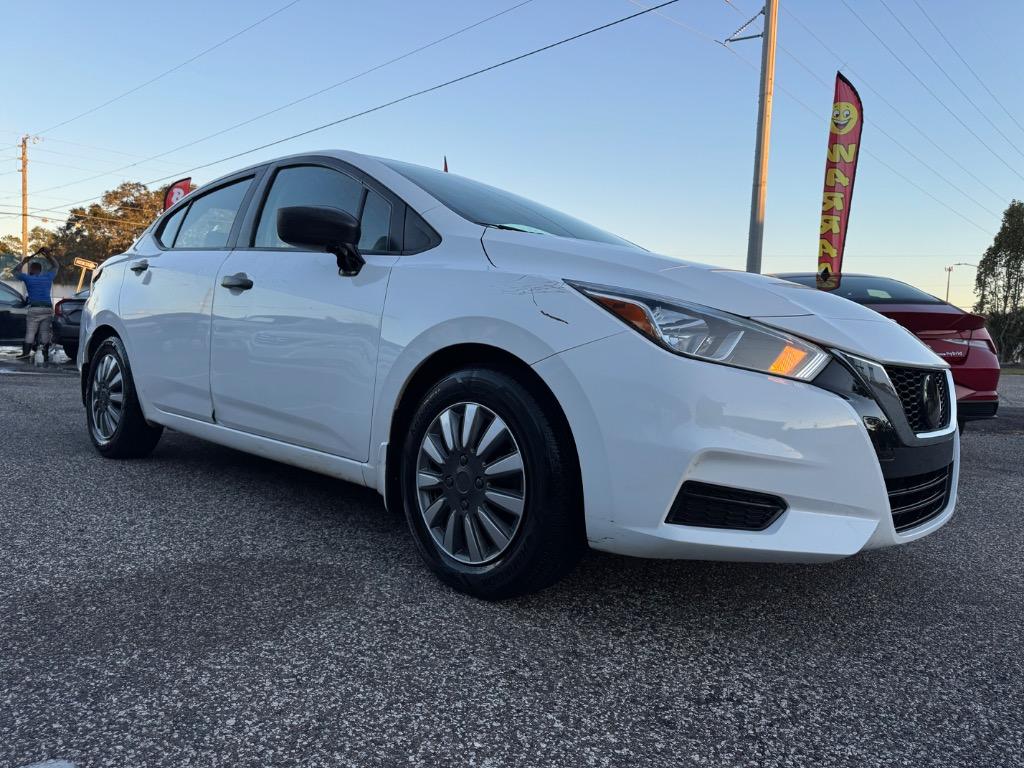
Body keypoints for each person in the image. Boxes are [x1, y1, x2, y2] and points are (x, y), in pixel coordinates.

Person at [13, 249, 59, 361]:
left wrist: (23, 262)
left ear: (32, 270)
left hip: (35, 309)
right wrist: (49, 255)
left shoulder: (27, 278)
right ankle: (45, 354)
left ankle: (25, 354)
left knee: (31, 332)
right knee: (45, 332)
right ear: (40, 270)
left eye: (30, 269)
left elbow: (14, 272)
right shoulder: (48, 277)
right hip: (47, 309)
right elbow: (56, 266)